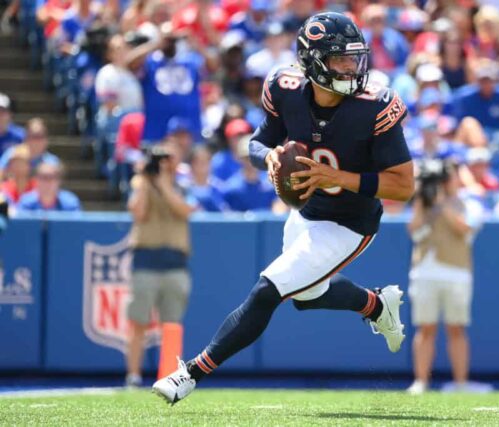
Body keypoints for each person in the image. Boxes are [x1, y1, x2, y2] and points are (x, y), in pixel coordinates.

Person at [152, 12, 414, 404]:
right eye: (340, 59)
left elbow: (403, 185)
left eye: (354, 58)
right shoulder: (285, 87)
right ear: (312, 61)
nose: (351, 68)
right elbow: (257, 144)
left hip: (350, 222)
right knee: (307, 296)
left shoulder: (375, 105)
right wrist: (270, 158)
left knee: (268, 290)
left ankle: (191, 373)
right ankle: (376, 305)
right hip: (307, 212)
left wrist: (336, 178)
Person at [407, 159, 483, 394]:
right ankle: (421, 381)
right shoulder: (426, 202)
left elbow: (465, 229)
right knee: (425, 328)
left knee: (456, 328)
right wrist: (422, 201)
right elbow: (414, 230)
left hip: (457, 273)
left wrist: (442, 205)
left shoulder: (470, 203)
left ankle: (460, 383)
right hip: (425, 271)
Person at [125, 141, 197, 388]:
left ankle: (168, 376)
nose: (165, 163)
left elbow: (185, 210)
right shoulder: (142, 183)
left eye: (169, 157)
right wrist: (146, 181)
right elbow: (138, 212)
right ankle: (133, 376)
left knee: (172, 324)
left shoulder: (183, 183)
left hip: (175, 262)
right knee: (138, 322)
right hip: (145, 259)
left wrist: (164, 183)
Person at [448, 59, 499, 131]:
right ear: (477, 81)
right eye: (483, 81)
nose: (486, 84)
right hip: (473, 141)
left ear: (495, 81)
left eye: (489, 81)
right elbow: (459, 126)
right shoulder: (465, 98)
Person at [221, 135, 277, 212]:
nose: (251, 162)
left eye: (254, 157)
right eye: (247, 158)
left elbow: (278, 210)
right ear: (239, 159)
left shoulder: (271, 183)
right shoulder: (231, 188)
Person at [16, 162, 81, 212]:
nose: (47, 182)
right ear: (36, 180)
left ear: (59, 180)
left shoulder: (70, 202)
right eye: (43, 177)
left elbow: (77, 228)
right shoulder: (26, 202)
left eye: (51, 177)